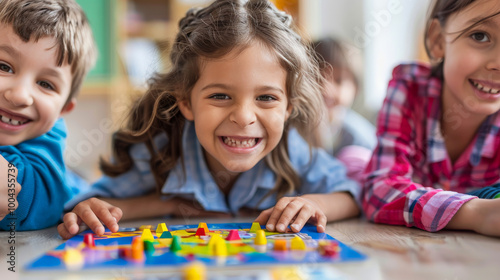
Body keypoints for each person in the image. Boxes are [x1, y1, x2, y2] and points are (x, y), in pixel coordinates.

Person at [58, 0, 360, 239]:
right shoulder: (160, 153)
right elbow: (92, 209)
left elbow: (351, 194)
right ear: (186, 102)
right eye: (220, 96)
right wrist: (170, 206)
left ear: (289, 107)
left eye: (266, 98)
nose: (243, 117)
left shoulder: (293, 152)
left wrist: (316, 204)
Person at [362, 0, 500, 236]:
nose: (498, 64)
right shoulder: (410, 89)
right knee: (353, 162)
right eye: (479, 36)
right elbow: (379, 191)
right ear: (438, 40)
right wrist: (478, 213)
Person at [0, 0, 96, 230]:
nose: (20, 96)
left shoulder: (48, 136)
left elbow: (41, 203)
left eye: (45, 84)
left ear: (62, 110)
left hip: (75, 185)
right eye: (4, 67)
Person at [312, 37, 376, 183]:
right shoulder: (292, 129)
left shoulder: (361, 137)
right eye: (317, 78)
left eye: (339, 81)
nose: (326, 89)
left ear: (355, 89)